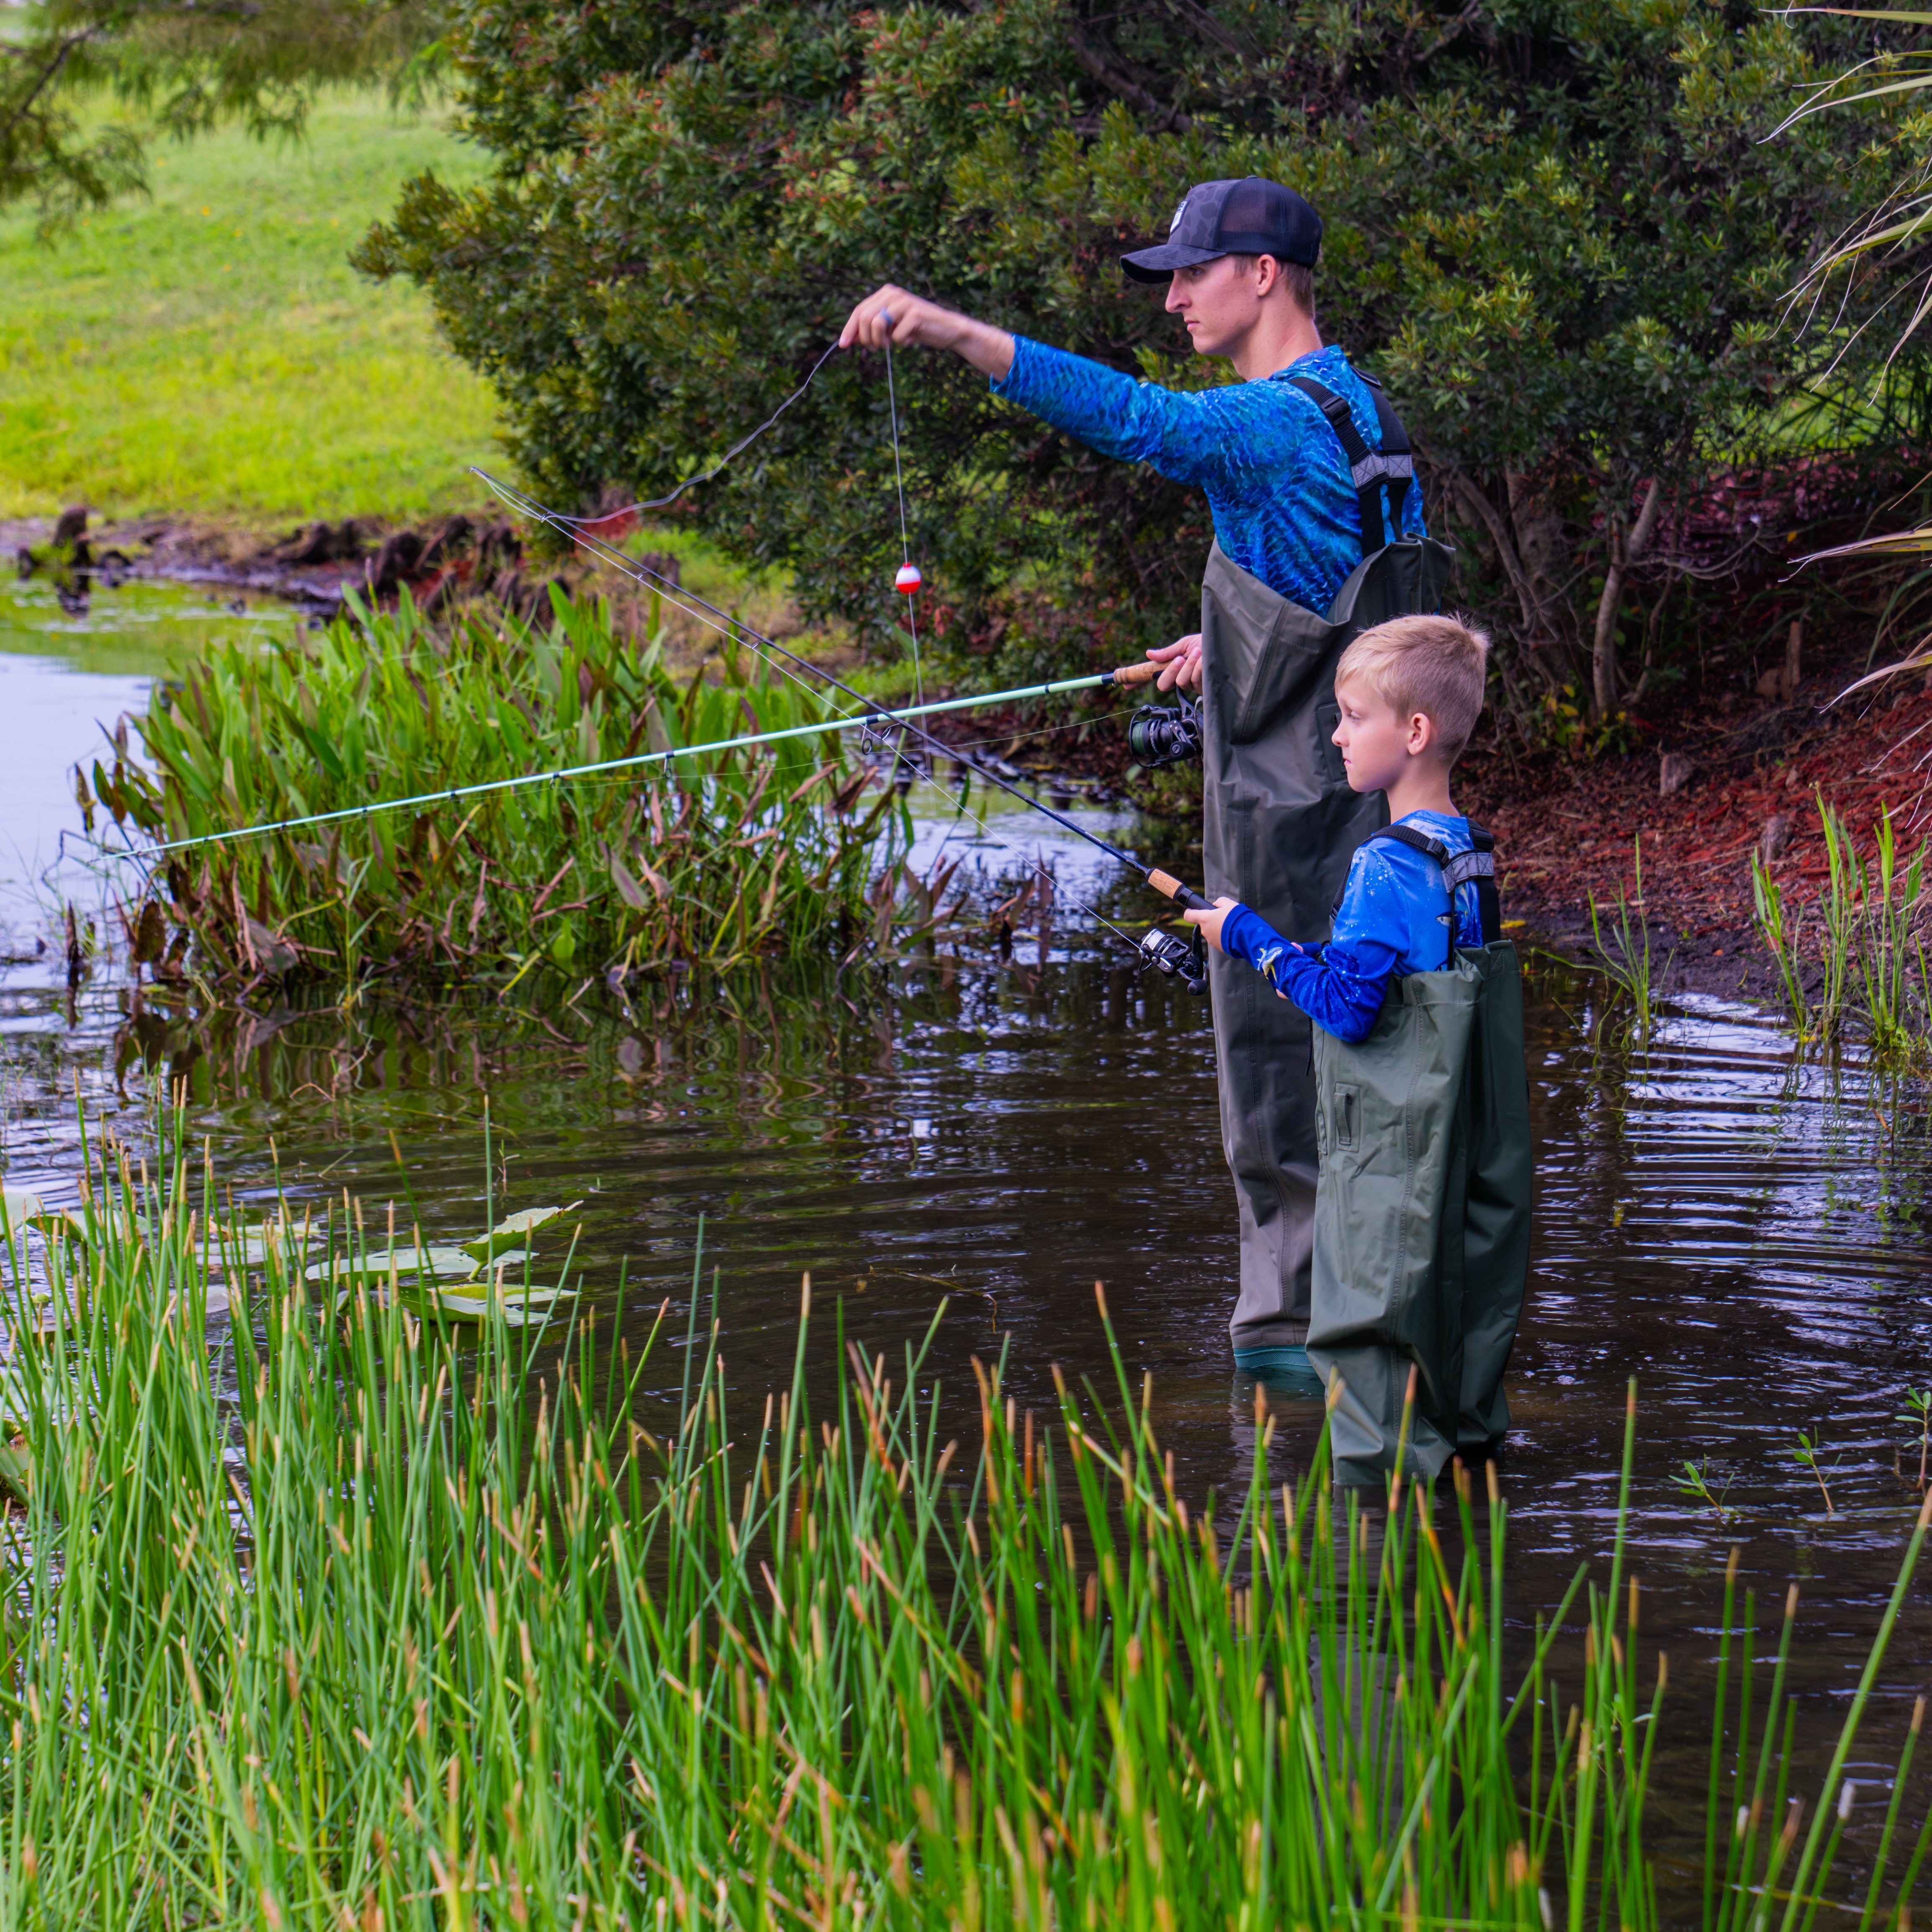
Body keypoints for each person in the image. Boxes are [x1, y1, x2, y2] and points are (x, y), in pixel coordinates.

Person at [841, 176, 1451, 1383]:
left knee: (1284, 1062)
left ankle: (1300, 1353)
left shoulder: (1269, 420)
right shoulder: (1349, 408)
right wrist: (1218, 642)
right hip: (1374, 805)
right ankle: (1380, 1324)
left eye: (1190, 273)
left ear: (1262, 276)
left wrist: (951, 331)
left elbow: (1143, 423)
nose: (1171, 297)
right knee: (1369, 1049)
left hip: (1296, 816)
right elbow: (1355, 596)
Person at [1184, 614, 1534, 1485]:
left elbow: (1346, 1007)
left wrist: (1249, 938)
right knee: (1461, 1296)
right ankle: (1470, 1486)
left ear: (1413, 732)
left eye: (1351, 716)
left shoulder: (1383, 863)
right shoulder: (1469, 852)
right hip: (1472, 1137)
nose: (1336, 734)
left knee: (1375, 1313)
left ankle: (1377, 1545)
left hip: (1393, 1143)